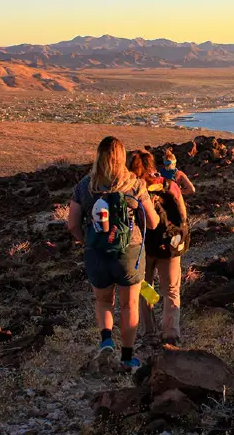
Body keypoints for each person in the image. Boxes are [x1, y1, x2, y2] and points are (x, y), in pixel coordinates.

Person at [66, 136, 159, 369]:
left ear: (99, 156)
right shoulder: (135, 184)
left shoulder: (85, 185)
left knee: (103, 300)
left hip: (97, 252)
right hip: (129, 253)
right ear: (122, 158)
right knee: (129, 306)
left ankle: (106, 341)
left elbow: (72, 224)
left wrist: (85, 241)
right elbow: (154, 222)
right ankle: (127, 358)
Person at [129, 150, 188, 346]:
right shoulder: (168, 184)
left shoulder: (133, 188)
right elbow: (183, 216)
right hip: (168, 244)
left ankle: (149, 333)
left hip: (142, 247)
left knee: (145, 287)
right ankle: (170, 334)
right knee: (171, 290)